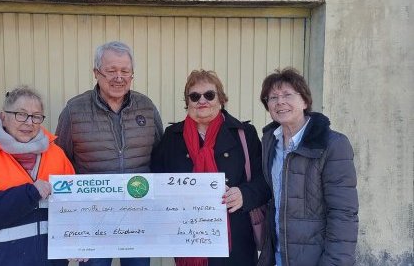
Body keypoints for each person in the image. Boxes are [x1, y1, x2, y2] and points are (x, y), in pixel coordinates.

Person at [54, 41, 163, 266]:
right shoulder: (74, 111)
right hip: (93, 219)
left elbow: (160, 156)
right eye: (111, 70)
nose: (118, 77)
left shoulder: (146, 107)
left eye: (125, 71)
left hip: (138, 217)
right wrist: (69, 221)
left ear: (132, 74)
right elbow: (60, 164)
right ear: (96, 73)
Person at [151, 69, 271, 266]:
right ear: (187, 101)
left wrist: (244, 194)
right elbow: (156, 182)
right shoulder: (172, 137)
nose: (202, 101)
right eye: (195, 96)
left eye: (209, 94)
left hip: (236, 239)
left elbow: (265, 181)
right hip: (187, 236)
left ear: (221, 99)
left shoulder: (243, 134)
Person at [0, 86, 75, 266]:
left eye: (36, 116)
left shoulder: (57, 155)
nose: (29, 122)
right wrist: (29, 194)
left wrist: (78, 243)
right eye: (21, 114)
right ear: (3, 116)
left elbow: (74, 208)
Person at [257, 67, 359, 266]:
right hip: (277, 257)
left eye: (287, 95)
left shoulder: (332, 145)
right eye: (272, 98)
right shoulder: (270, 142)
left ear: (304, 101)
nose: (280, 102)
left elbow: (343, 214)